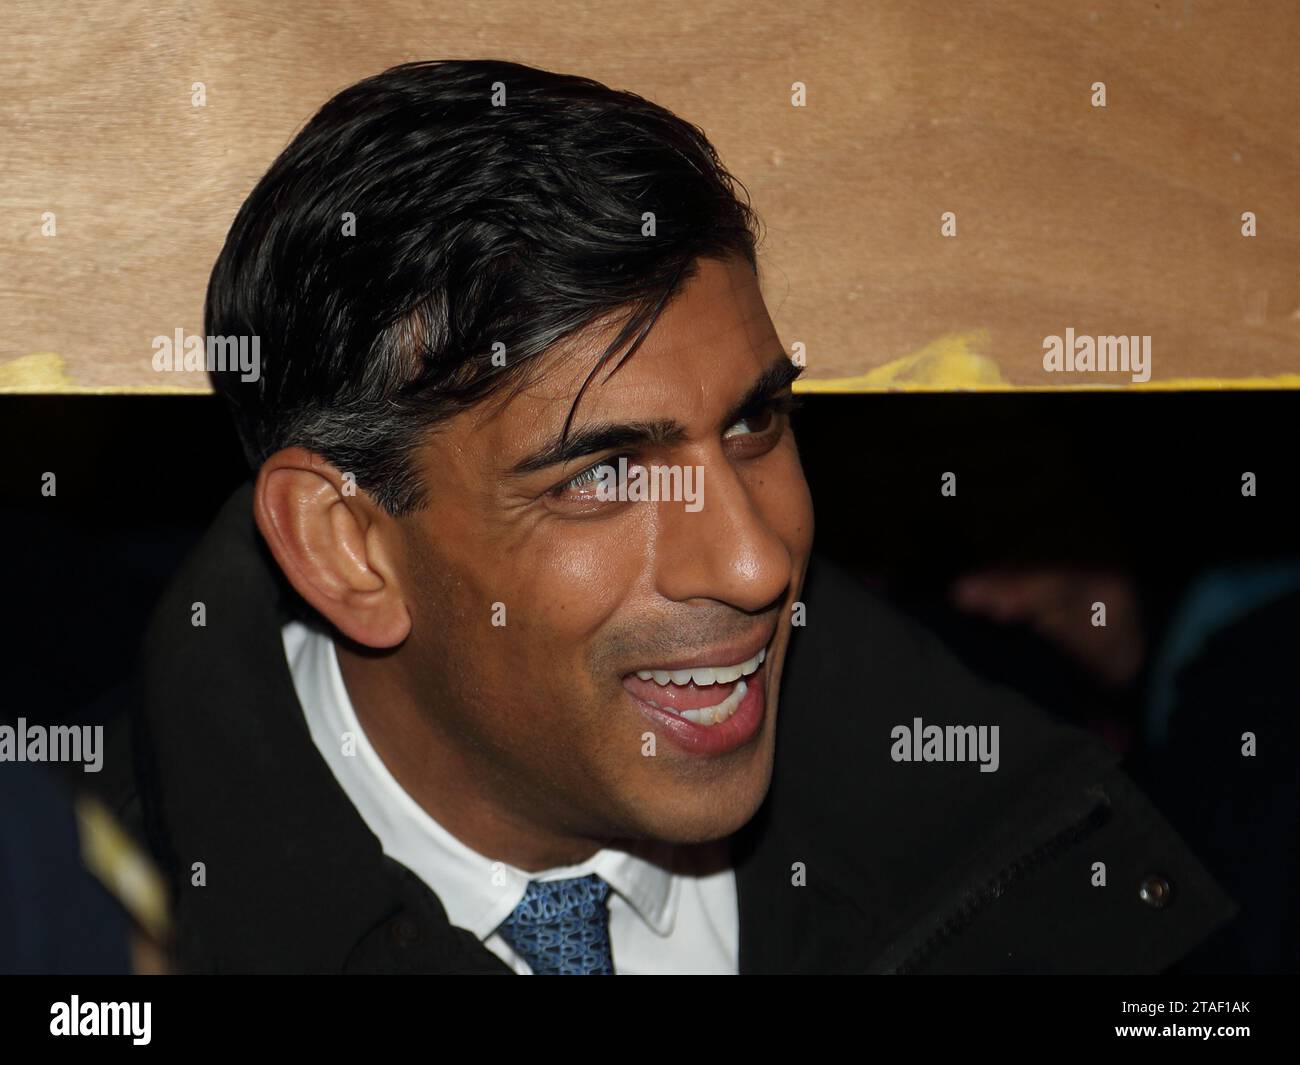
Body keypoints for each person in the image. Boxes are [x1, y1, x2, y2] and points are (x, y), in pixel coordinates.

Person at [91, 59, 1234, 974]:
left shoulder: (1029, 832)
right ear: (348, 549)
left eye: (753, 425)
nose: (752, 559)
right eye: (601, 474)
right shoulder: (74, 916)